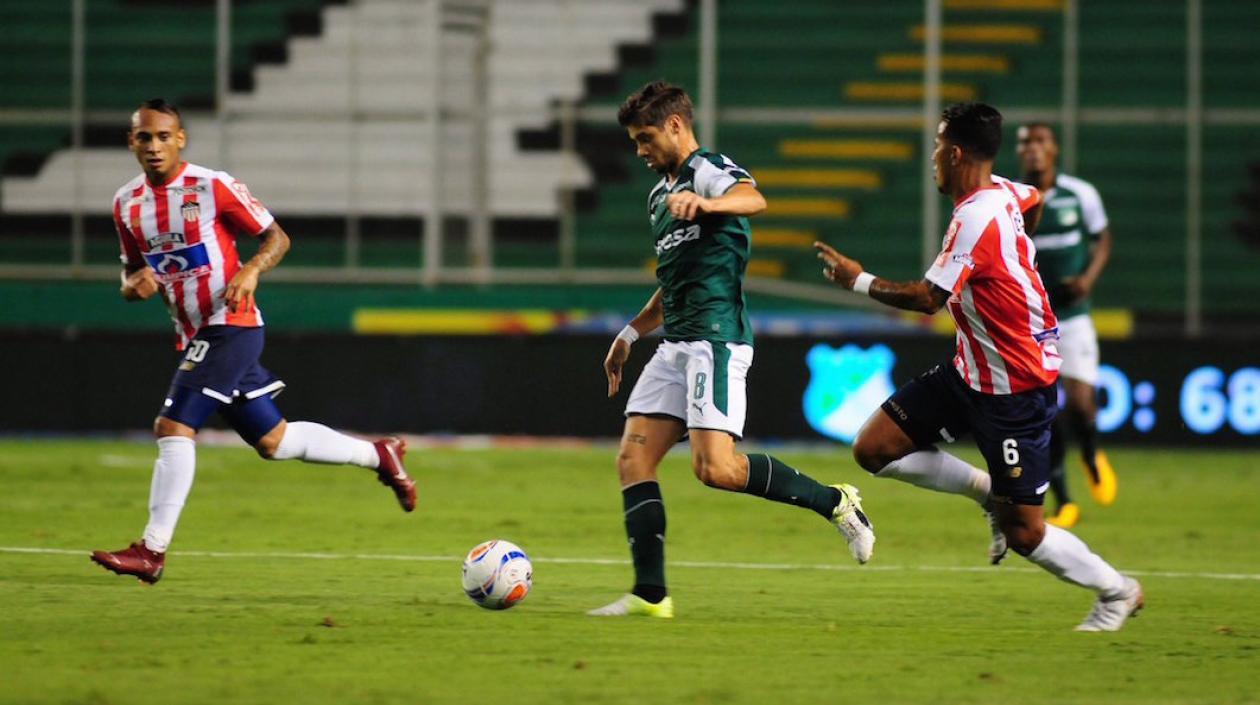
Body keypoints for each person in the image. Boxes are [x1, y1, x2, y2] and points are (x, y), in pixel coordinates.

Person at [813, 103, 1142, 631]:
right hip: (970, 371)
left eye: (939, 146)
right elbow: (1032, 202)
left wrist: (855, 278)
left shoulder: (976, 215)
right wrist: (1018, 256)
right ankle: (987, 491)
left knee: (1026, 534)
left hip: (1016, 389)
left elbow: (927, 299)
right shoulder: (1009, 192)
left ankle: (1117, 591)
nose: (934, 158)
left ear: (957, 153)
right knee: (873, 449)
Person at [90, 99, 417, 584]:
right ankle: (379, 455)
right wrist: (132, 286)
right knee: (274, 441)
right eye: (144, 137)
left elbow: (277, 238)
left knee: (173, 426)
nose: (154, 146)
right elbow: (132, 274)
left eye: (164, 136)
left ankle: (151, 550)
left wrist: (250, 269)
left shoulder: (211, 186)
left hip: (233, 324)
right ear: (131, 142)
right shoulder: (126, 204)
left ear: (181, 139)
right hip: (194, 332)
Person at [588, 81, 875, 619]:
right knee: (633, 459)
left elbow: (754, 198)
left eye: (646, 138)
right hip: (674, 344)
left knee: (715, 469)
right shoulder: (660, 196)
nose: (640, 151)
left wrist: (708, 201)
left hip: (714, 340)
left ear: (676, 126)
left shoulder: (708, 171)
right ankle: (651, 596)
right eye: (634, 142)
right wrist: (629, 335)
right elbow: (671, 284)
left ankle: (836, 502)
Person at [1016, 122, 1117, 528]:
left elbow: (1103, 238)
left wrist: (1088, 280)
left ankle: (1091, 455)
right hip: (1032, 321)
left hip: (1073, 318)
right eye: (1026, 143)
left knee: (1079, 403)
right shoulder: (1013, 197)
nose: (1034, 150)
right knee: (1043, 411)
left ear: (1054, 148)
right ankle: (1064, 501)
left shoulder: (1081, 194)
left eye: (1040, 142)